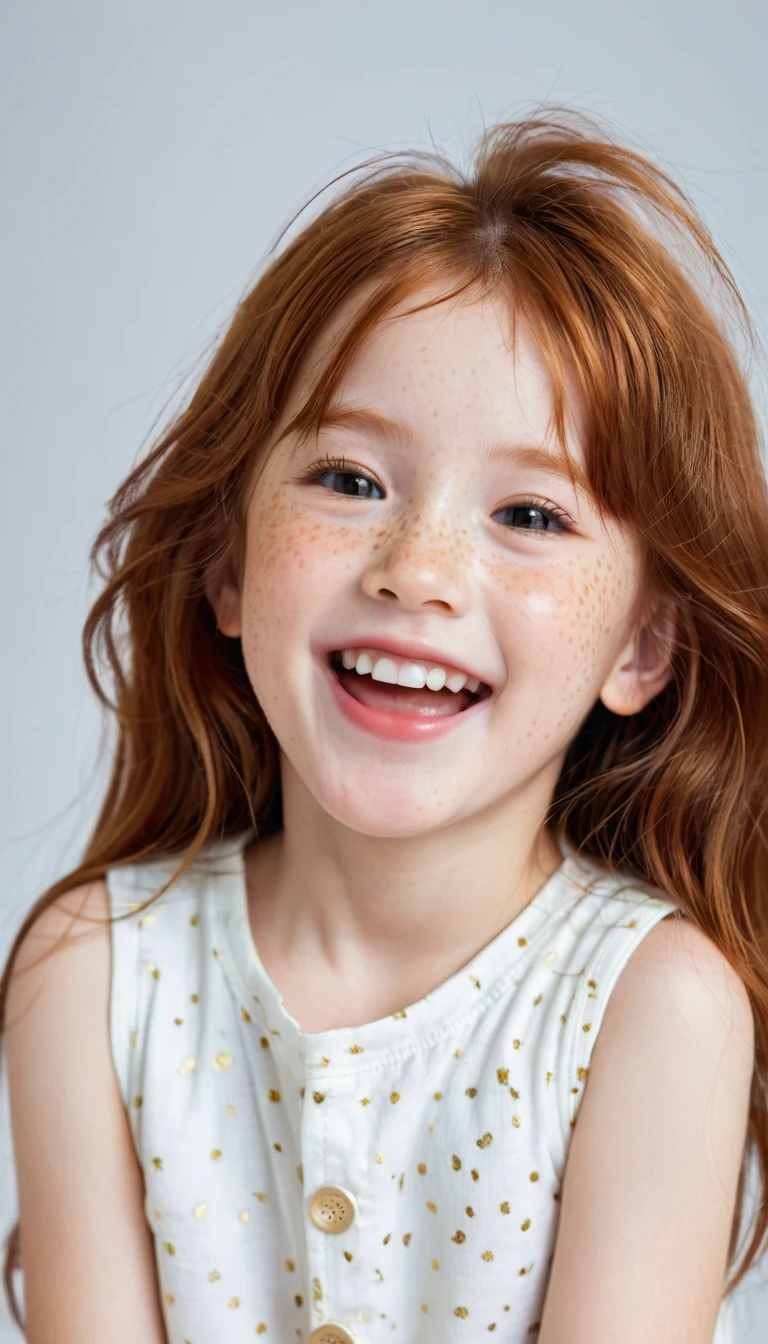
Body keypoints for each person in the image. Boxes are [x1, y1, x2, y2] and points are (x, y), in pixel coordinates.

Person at [1, 108, 765, 1344]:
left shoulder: (655, 1007)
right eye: (350, 481)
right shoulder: (90, 975)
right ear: (227, 566)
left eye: (531, 514)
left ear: (645, 646)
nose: (419, 570)